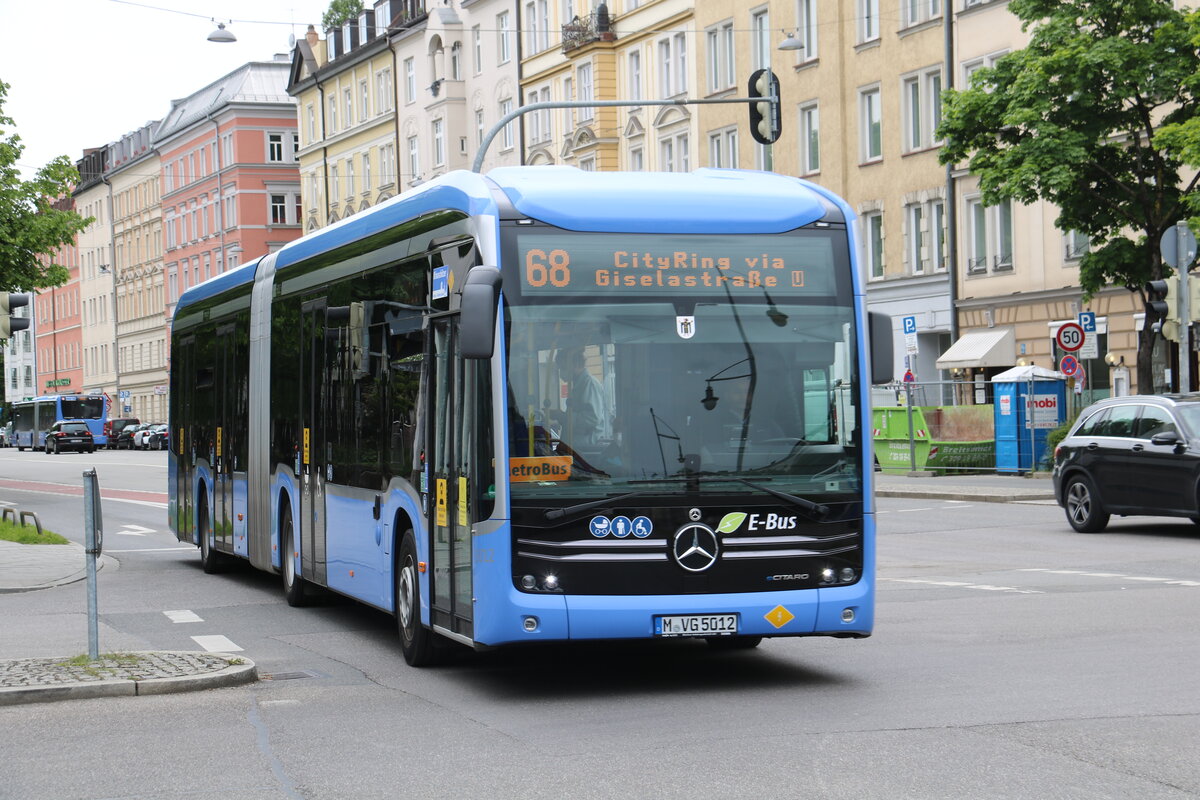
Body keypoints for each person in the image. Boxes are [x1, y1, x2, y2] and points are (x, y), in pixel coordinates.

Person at [555, 347, 607, 448]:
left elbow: (592, 418)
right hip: (575, 445)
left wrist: (563, 416)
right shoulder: (578, 384)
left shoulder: (589, 384)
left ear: (576, 364)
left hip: (584, 446)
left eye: (563, 368)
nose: (561, 372)